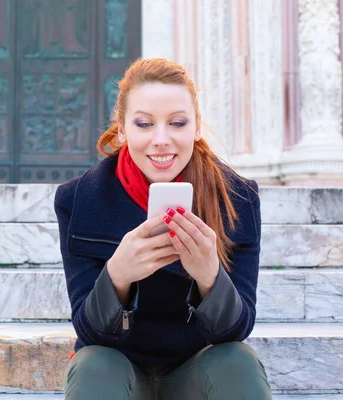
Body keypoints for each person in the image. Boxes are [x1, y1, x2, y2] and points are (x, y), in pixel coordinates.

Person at [54, 58, 272, 400]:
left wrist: (209, 276)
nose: (161, 140)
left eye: (177, 123)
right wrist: (118, 277)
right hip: (118, 373)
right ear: (123, 129)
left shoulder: (237, 199)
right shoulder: (79, 199)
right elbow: (89, 331)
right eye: (144, 124)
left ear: (196, 127)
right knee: (92, 363)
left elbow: (236, 330)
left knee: (238, 361)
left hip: (197, 372)